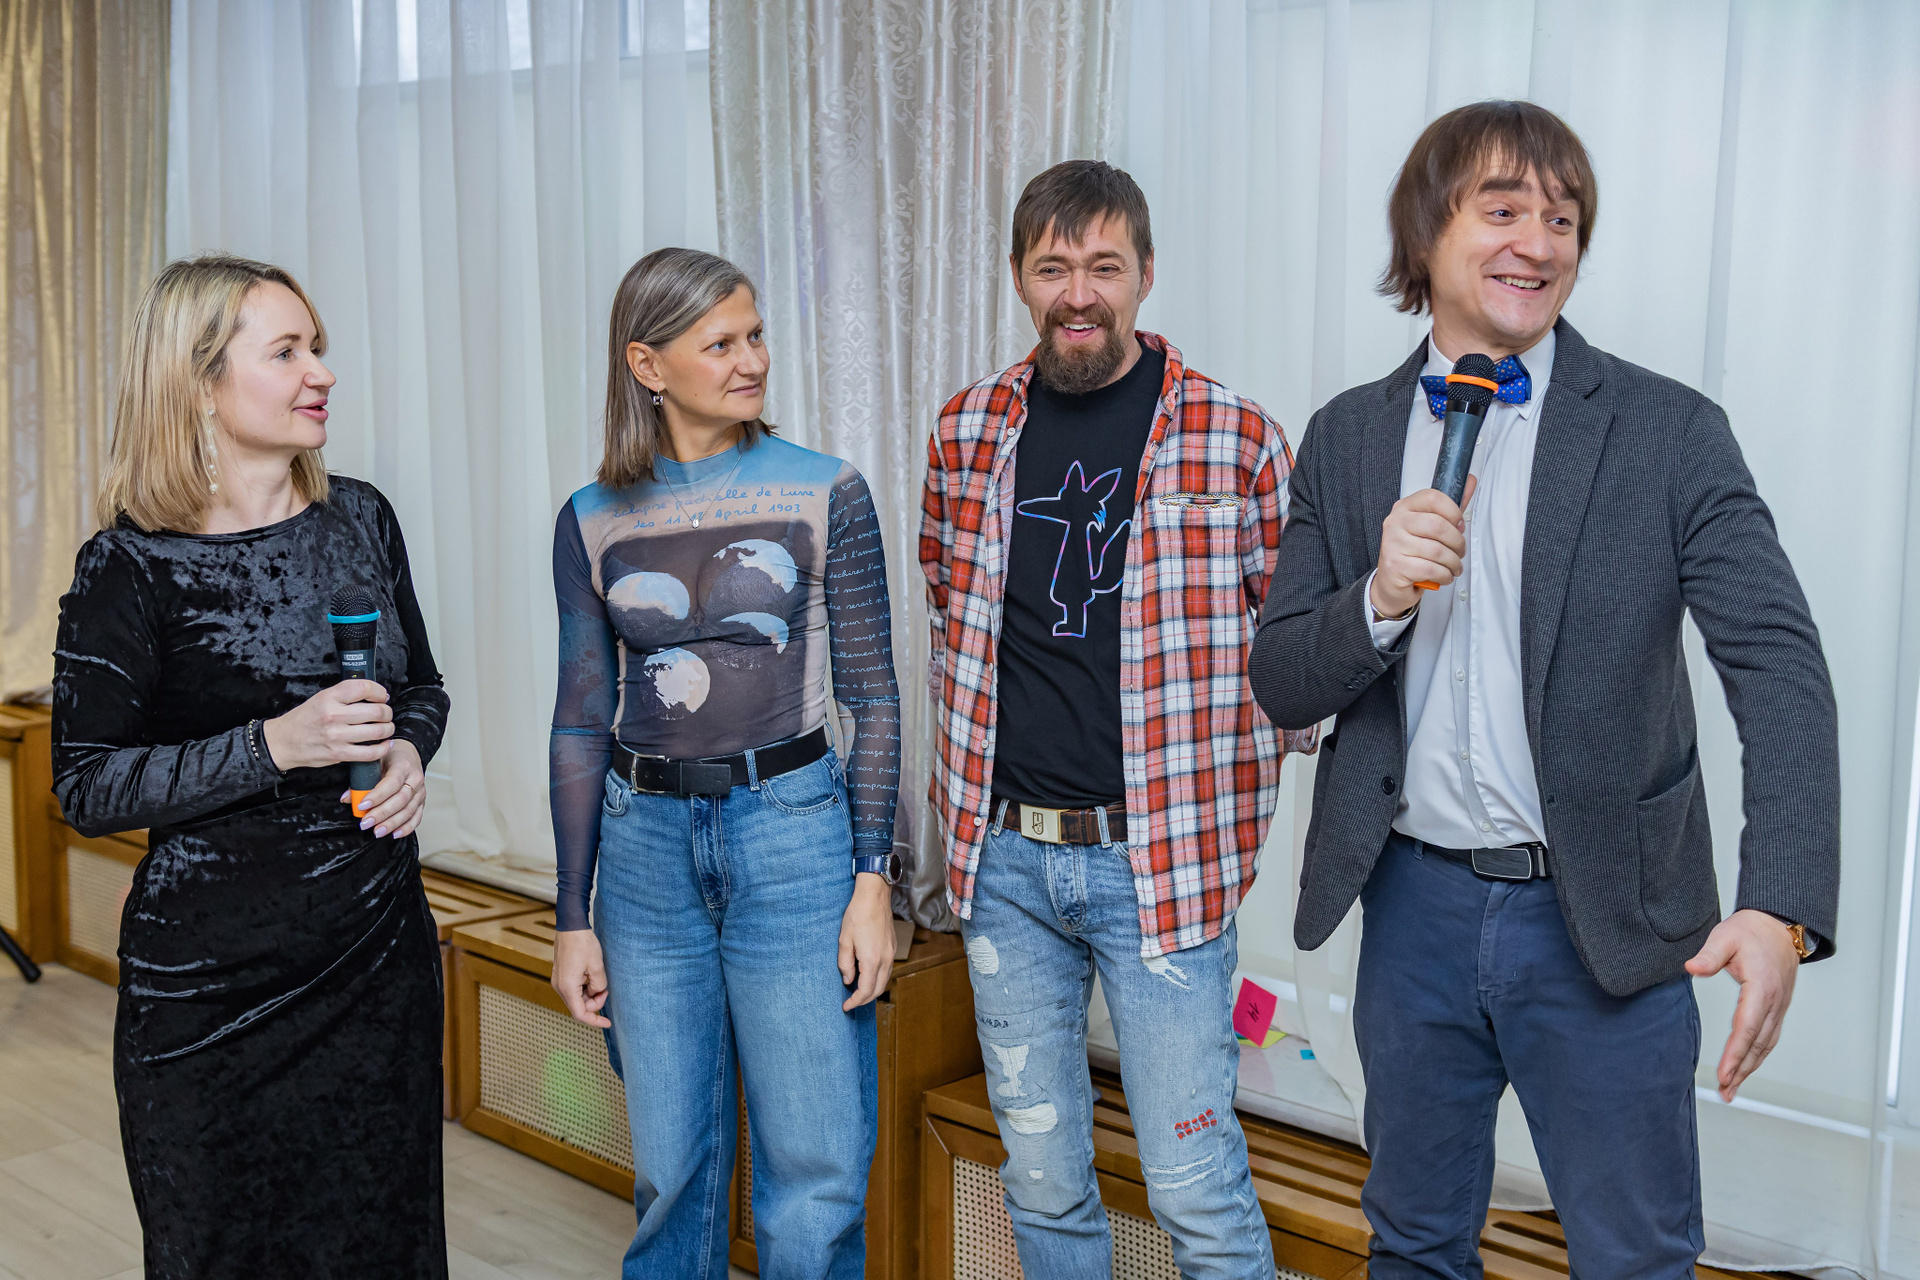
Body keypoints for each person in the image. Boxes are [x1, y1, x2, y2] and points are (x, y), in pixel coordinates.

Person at [1250, 100, 1839, 1278]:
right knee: (1414, 1247)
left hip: (1607, 919)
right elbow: (1282, 676)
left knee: (1636, 1257)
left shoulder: (1670, 432)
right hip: (1411, 912)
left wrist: (1781, 909)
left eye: (1562, 219)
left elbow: (1778, 662)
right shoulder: (1348, 434)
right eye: (1504, 209)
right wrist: (1379, 596)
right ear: (1427, 233)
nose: (1538, 242)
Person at [919, 160, 1316, 1280]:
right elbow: (949, 611)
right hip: (1004, 863)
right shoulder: (966, 432)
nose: (1080, 294)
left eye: (1104, 266)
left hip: (1163, 866)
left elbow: (1291, 648)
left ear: (1146, 273)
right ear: (1018, 277)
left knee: (1196, 1189)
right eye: (1054, 268)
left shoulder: (1238, 438)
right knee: (1041, 1179)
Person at [53, 254, 450, 1277]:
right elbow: (87, 785)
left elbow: (422, 687)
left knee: (381, 1242)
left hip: (376, 960)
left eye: (318, 347)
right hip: (210, 985)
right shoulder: (130, 564)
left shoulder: (362, 517)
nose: (322, 371)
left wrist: (408, 748)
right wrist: (275, 744)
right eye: (287, 352)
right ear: (199, 383)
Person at [547, 247, 902, 1280]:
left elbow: (874, 699)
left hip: (793, 839)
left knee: (814, 1184)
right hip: (643, 857)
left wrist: (871, 879)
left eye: (755, 335)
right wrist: (573, 913)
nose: (752, 360)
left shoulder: (826, 489)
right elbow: (581, 719)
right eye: (721, 343)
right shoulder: (589, 517)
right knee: (672, 1177)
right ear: (647, 364)